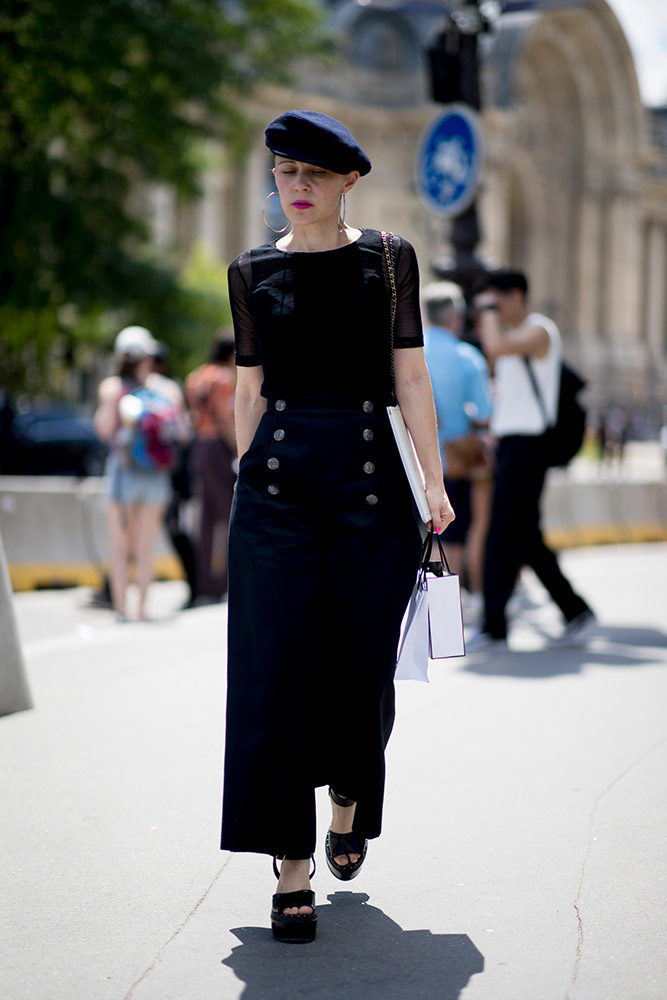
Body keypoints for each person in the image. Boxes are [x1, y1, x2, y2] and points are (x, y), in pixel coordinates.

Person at [221, 109, 454, 943]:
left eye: (313, 175)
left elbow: (412, 376)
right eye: (286, 172)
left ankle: (349, 795)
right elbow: (248, 388)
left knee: (360, 667)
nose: (297, 188)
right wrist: (249, 477)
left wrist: (433, 479)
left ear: (347, 179)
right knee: (270, 673)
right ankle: (289, 867)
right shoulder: (250, 271)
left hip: (369, 485)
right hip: (276, 488)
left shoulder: (388, 261)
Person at [470, 270, 596, 649]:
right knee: (523, 534)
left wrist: (487, 312)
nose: (490, 312)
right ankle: (574, 610)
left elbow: (493, 347)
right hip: (512, 445)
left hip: (530, 446)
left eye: (495, 301)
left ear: (515, 296)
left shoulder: (539, 330)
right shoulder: (513, 339)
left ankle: (494, 625)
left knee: (502, 532)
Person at [94, 326, 184, 622]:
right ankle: (142, 610)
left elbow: (105, 430)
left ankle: (121, 610)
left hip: (123, 475)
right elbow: (182, 433)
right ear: (147, 356)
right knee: (146, 548)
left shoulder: (111, 387)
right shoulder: (167, 389)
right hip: (155, 477)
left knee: (120, 549)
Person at [422, 281, 493, 611]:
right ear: (456, 316)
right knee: (455, 530)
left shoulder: (410, 352)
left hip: (411, 459)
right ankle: (451, 604)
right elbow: (485, 412)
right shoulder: (467, 358)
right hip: (454, 458)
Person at [185, 331, 237, 603]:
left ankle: (205, 580)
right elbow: (225, 419)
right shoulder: (224, 379)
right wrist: (240, 448)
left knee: (205, 516)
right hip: (218, 447)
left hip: (199, 446)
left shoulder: (196, 377)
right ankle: (225, 580)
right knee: (230, 512)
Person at [151, 344, 198, 609]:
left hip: (175, 477)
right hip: (170, 475)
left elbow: (181, 434)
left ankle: (195, 586)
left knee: (178, 531)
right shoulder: (169, 389)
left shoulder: (166, 389)